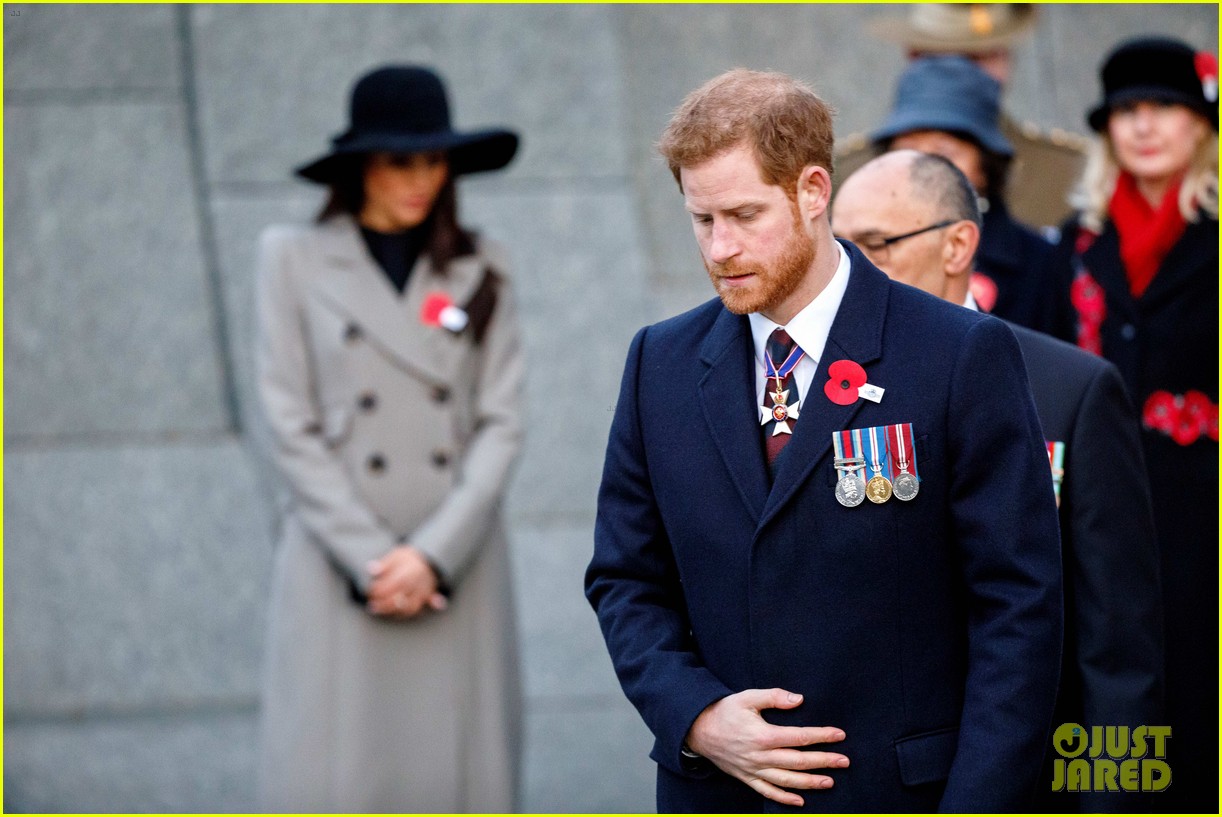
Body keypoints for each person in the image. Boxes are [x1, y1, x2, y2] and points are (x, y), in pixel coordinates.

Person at [585, 68, 1062, 812]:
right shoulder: (659, 363)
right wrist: (697, 716)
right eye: (701, 219)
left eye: (744, 214)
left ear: (813, 191)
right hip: (716, 792)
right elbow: (624, 579)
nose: (719, 247)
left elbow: (1018, 606)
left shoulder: (958, 353)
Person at [833, 149, 1164, 812]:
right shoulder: (833, 393)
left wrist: (1112, 802)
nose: (852, 272)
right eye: (841, 249)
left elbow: (1118, 646)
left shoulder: (1069, 388)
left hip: (1032, 779)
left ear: (959, 244)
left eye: (877, 245)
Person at [253, 65, 525, 811]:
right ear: (360, 166)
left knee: (457, 777)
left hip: (455, 563)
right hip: (339, 564)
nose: (421, 179)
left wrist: (433, 553)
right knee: (333, 774)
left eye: (435, 160)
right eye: (400, 160)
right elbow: (287, 416)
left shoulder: (481, 264)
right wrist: (374, 560)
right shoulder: (291, 258)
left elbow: (501, 418)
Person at [1048, 37, 1218, 812]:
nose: (1143, 126)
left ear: (1202, 126)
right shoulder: (1077, 242)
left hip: (1204, 520)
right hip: (1098, 515)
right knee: (1106, 688)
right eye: (1125, 111)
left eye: (1165, 108)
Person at [836, 3, 1089, 230]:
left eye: (978, 58)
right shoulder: (846, 172)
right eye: (945, 59)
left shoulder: (1069, 171)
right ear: (913, 56)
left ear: (1005, 58)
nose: (962, 76)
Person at [869, 55, 1057, 331]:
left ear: (984, 166)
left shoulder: (1039, 263)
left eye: (943, 154)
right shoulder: (857, 251)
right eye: (908, 151)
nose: (923, 169)